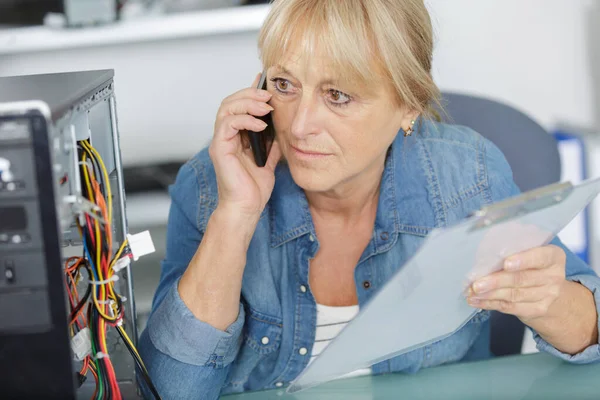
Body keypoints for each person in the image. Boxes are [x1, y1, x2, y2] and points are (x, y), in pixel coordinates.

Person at [138, 0, 600, 398]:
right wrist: (235, 216)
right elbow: (168, 389)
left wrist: (551, 300)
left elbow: (590, 331)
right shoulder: (210, 182)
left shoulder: (467, 176)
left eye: (337, 95)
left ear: (409, 106)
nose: (299, 125)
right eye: (284, 85)